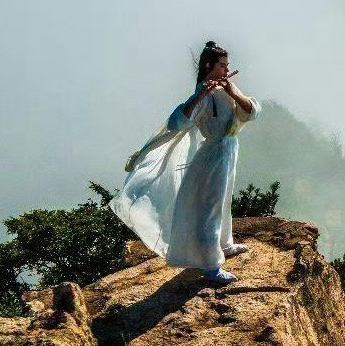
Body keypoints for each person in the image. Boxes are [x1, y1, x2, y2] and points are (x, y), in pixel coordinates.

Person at [111, 40, 261, 285]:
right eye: (222, 66)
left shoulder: (227, 88)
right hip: (213, 155)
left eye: (227, 65)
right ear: (209, 66)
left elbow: (252, 112)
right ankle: (211, 265)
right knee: (210, 206)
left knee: (224, 200)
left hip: (229, 149)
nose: (226, 70)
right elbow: (176, 123)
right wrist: (201, 95)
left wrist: (233, 91)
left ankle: (224, 244)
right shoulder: (204, 93)